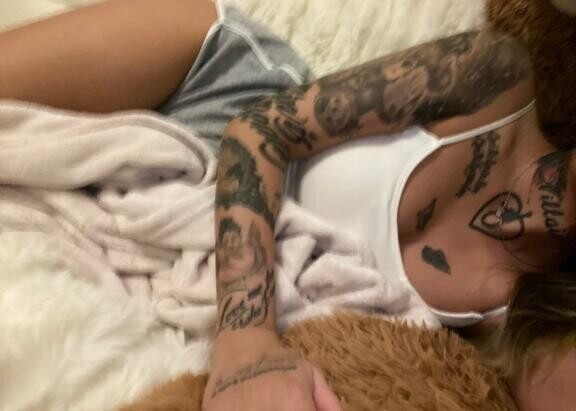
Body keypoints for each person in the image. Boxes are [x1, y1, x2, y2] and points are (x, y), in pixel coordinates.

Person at [0, 0, 573, 410]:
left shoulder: (535, 318)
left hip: (186, 241)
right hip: (216, 89)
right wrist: (248, 341)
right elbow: (259, 131)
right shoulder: (496, 77)